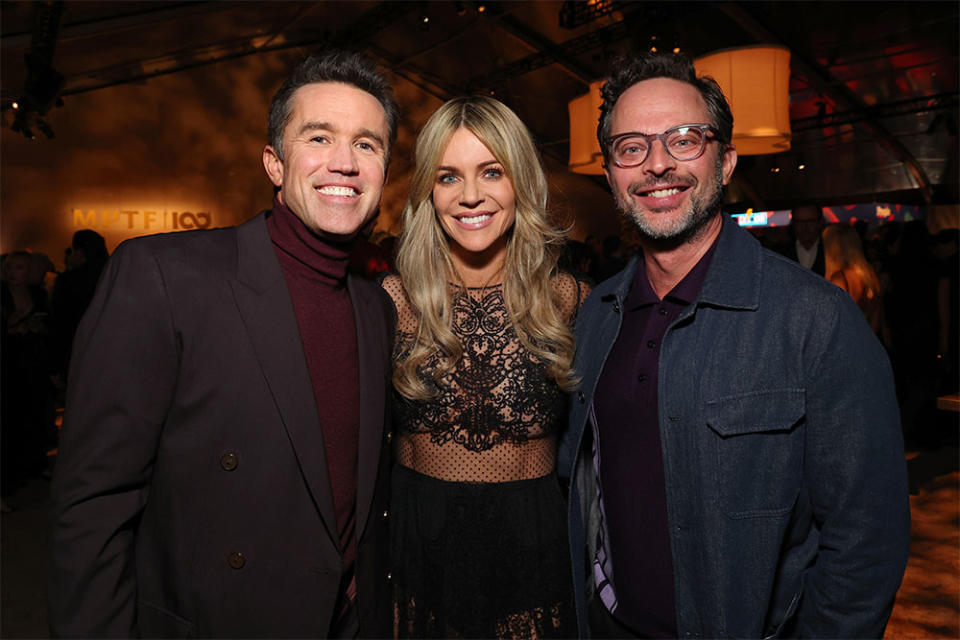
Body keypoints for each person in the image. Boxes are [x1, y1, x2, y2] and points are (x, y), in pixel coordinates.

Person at [48, 50, 398, 638]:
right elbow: (93, 505)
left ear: (384, 170)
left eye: (367, 145)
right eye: (318, 137)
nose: (344, 162)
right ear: (274, 163)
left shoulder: (376, 308)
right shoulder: (165, 276)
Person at [559, 53, 910, 638]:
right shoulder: (594, 318)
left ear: (725, 162)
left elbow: (866, 540)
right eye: (631, 147)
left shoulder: (814, 319)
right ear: (611, 175)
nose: (658, 165)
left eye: (685, 139)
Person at [381, 96, 589, 639]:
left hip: (531, 543)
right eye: (449, 176)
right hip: (417, 539)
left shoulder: (569, 301)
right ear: (429, 188)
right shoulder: (393, 301)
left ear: (520, 180)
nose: (470, 195)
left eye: (491, 172)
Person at [822, 224, 887, 340]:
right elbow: (877, 319)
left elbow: (835, 325)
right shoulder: (868, 275)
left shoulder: (839, 279)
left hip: (850, 346)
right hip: (869, 344)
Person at [778, 203, 826, 276]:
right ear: (793, 223)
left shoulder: (830, 251)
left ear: (820, 223)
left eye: (810, 221)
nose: (804, 227)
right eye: (799, 222)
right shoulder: (781, 252)